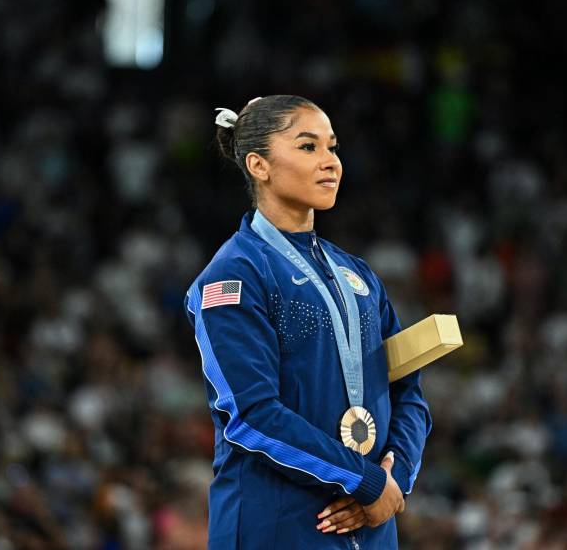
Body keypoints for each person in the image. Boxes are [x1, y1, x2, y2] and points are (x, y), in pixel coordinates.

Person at [185, 94, 432, 549]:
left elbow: (407, 389)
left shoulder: (358, 276)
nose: (330, 162)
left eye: (333, 147)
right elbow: (252, 416)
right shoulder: (235, 275)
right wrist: (364, 482)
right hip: (279, 523)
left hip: (370, 524)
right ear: (259, 166)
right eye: (307, 147)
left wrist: (392, 482)